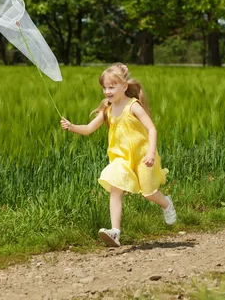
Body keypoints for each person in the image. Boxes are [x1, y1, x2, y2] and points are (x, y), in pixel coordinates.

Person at [60, 63, 176, 247]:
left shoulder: (133, 106)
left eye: (111, 87)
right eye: (104, 87)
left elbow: (152, 129)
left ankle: (166, 204)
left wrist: (151, 153)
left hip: (142, 156)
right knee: (115, 189)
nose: (107, 91)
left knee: (148, 193)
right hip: (121, 158)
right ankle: (115, 232)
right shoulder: (107, 109)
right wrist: (72, 127)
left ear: (124, 86)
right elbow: (89, 128)